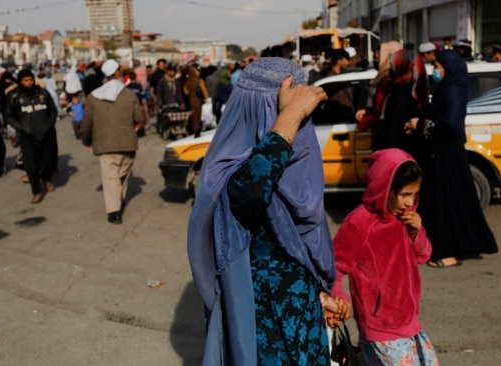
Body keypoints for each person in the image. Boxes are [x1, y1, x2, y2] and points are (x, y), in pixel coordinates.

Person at [187, 57, 349, 365]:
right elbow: (248, 194)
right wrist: (289, 117)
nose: (300, 127)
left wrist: (317, 296)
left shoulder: (294, 168)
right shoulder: (228, 170)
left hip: (304, 326)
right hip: (262, 335)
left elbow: (297, 255)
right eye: (282, 109)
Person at [332, 148, 438, 365]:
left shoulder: (405, 218)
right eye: (405, 194)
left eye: (415, 194)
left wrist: (416, 233)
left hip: (409, 321)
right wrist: (339, 296)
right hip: (380, 329)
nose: (410, 202)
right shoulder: (359, 223)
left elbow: (424, 255)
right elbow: (334, 266)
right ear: (385, 188)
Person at [404, 50, 498, 267]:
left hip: (449, 155)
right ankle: (444, 247)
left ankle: (452, 253)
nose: (435, 69)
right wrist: (418, 126)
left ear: (449, 68)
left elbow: (451, 127)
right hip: (440, 153)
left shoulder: (453, 93)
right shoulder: (446, 89)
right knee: (443, 202)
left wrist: (421, 124)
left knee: (450, 204)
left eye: (438, 65)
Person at [82, 60, 144, 224]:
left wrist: (86, 140)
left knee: (110, 177)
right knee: (123, 174)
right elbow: (139, 118)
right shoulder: (130, 94)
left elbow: (87, 123)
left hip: (105, 143)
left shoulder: (93, 97)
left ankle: (114, 211)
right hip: (127, 142)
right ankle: (117, 203)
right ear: (117, 73)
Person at [5, 69, 59, 203]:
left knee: (49, 161)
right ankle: (36, 191)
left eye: (31, 80)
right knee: (31, 166)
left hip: (46, 134)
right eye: (25, 80)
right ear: (20, 81)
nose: (29, 83)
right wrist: (21, 127)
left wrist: (49, 125)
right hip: (27, 136)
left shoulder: (43, 94)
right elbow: (9, 116)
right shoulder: (14, 97)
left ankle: (46, 179)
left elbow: (53, 111)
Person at [355, 41, 403, 150]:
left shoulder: (392, 82)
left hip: (388, 139)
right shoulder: (383, 79)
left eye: (379, 57)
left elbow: (383, 113)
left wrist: (364, 123)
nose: (377, 61)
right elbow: (379, 107)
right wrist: (367, 111)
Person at [183, 65, 209, 138]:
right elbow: (205, 92)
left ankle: (194, 130)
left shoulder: (187, 81)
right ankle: (200, 130)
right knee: (200, 115)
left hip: (191, 99)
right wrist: (207, 100)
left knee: (194, 116)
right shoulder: (199, 80)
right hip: (199, 100)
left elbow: (186, 92)